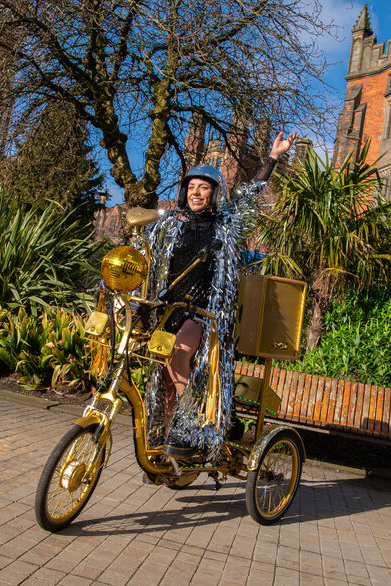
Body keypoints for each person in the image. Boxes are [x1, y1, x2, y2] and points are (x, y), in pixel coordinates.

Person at [142, 131, 298, 460]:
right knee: (160, 371)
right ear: (185, 192)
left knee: (179, 354)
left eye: (205, 187)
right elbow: (150, 261)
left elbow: (249, 197)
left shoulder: (224, 225)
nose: (197, 193)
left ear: (214, 193)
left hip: (204, 313)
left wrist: (272, 157)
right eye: (192, 187)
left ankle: (197, 423)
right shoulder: (170, 224)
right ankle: (167, 435)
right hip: (168, 309)